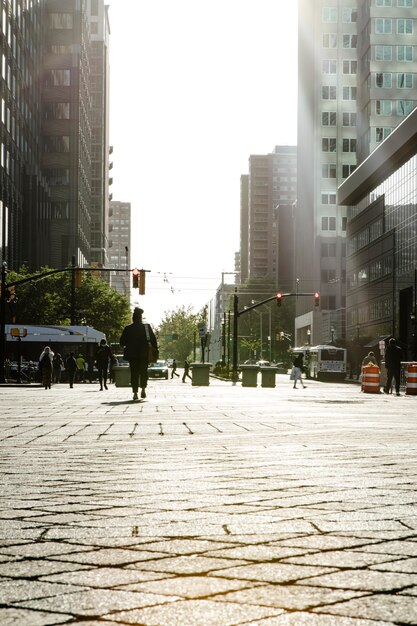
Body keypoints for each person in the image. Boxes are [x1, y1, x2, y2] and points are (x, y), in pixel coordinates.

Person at [119, 307, 158, 401]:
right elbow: (153, 340)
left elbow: (122, 342)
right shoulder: (146, 327)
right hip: (144, 355)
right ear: (141, 317)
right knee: (144, 372)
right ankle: (143, 388)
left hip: (132, 356)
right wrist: (154, 350)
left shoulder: (128, 328)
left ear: (133, 318)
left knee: (134, 373)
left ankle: (135, 393)